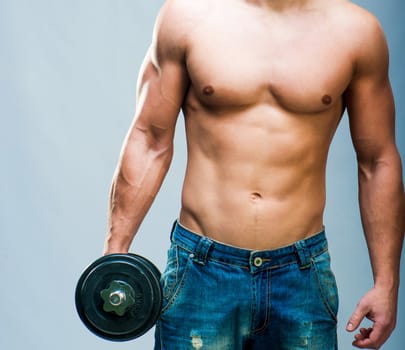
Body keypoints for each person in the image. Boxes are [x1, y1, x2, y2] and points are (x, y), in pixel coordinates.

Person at [103, 0, 404, 349]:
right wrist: (115, 252)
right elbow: (149, 139)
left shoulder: (356, 32)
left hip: (301, 276)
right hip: (201, 270)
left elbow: (377, 161)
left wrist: (386, 284)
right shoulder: (187, 15)